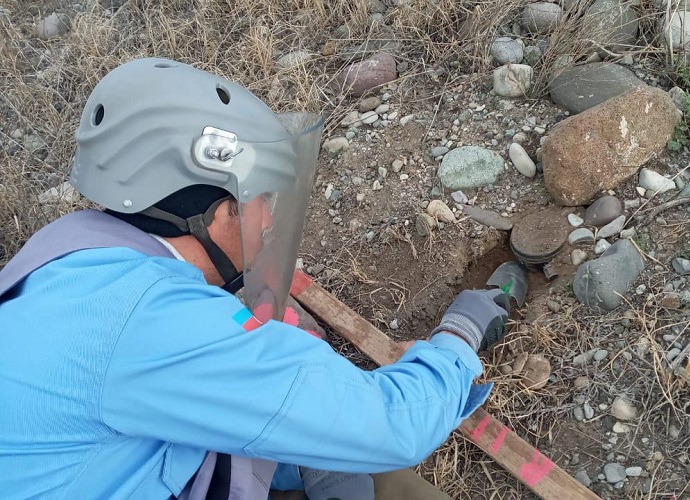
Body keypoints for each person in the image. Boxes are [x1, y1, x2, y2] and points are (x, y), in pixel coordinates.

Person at [0, 58, 527, 499]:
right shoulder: (152, 325)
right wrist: (458, 338)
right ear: (213, 216)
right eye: (259, 201)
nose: (270, 220)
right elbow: (394, 425)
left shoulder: (71, 248)